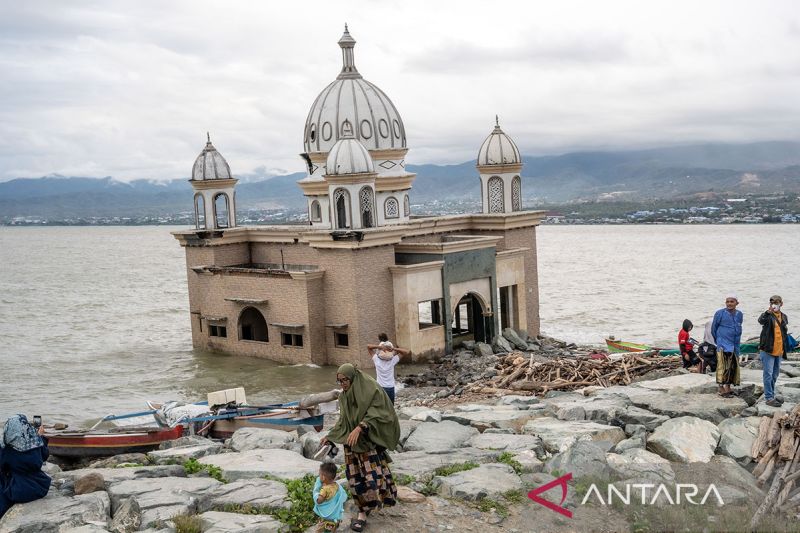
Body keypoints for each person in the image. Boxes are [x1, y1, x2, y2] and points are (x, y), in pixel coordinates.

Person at [322, 364, 400, 532]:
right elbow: (343, 421)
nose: (342, 384)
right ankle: (362, 513)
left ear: (353, 378)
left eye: (345, 380)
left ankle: (372, 504)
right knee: (354, 479)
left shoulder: (370, 390)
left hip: (367, 445)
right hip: (351, 446)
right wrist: (330, 435)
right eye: (339, 381)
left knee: (372, 477)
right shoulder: (343, 397)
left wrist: (360, 427)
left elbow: (381, 412)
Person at [0, 415, 52, 518]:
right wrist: (40, 437)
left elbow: (3, 466)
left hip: (18, 490)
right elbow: (45, 455)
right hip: (39, 486)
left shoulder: (7, 448)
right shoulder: (35, 442)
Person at [758, 295, 790, 407]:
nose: (775, 304)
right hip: (767, 350)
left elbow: (784, 333)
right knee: (768, 374)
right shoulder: (767, 316)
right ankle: (769, 397)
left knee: (775, 374)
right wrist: (767, 312)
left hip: (779, 350)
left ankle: (771, 394)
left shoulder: (784, 317)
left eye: (777, 302)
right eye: (772, 302)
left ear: (781, 303)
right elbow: (760, 321)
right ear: (770, 304)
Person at [711, 294, 743, 398]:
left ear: (736, 303)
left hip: (735, 344)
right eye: (727, 301)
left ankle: (728, 387)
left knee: (732, 366)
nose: (729, 303)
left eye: (732, 301)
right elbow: (713, 329)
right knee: (722, 366)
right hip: (723, 344)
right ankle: (721, 388)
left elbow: (738, 327)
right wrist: (719, 340)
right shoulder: (719, 313)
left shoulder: (739, 314)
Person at [366, 334, 411, 405]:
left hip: (380, 388)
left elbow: (368, 347)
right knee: (390, 409)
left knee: (381, 409)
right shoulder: (392, 360)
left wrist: (380, 347)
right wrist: (393, 349)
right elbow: (406, 352)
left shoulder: (376, 359)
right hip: (390, 388)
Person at [313, 461, 347, 532]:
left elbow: (319, 501)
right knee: (332, 530)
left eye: (319, 475)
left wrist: (315, 492)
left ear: (323, 477)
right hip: (335, 516)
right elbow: (344, 496)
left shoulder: (324, 490)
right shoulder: (337, 486)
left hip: (327, 518)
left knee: (321, 530)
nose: (319, 477)